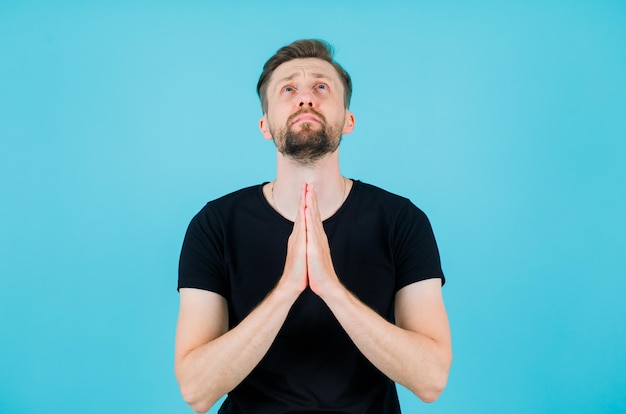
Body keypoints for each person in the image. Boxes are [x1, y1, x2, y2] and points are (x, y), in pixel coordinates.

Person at [175, 39, 452, 414]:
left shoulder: (402, 221)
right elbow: (196, 390)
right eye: (288, 89)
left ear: (348, 120)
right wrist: (288, 288)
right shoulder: (214, 225)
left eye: (321, 86)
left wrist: (331, 289)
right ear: (265, 126)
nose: (305, 97)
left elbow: (432, 379)